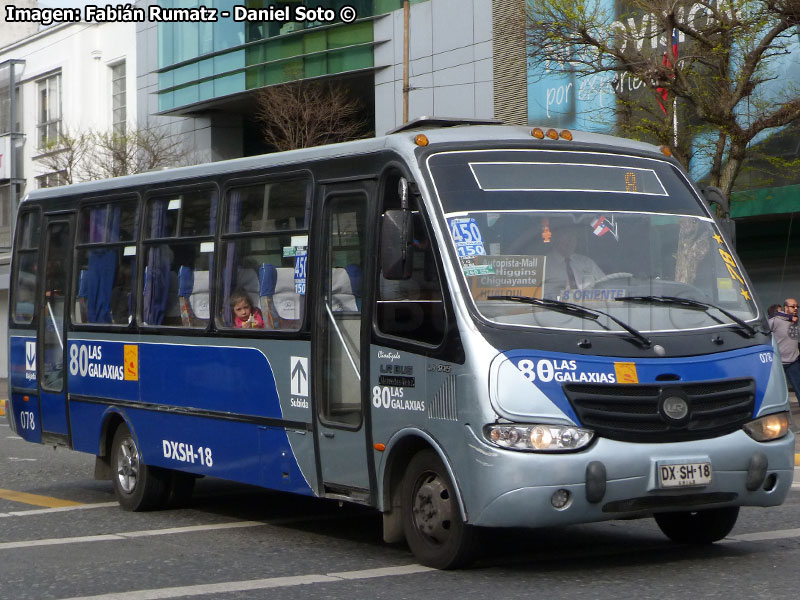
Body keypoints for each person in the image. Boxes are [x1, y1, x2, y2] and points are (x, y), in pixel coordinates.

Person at [543, 221, 605, 297]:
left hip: (588, 307)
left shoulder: (586, 262)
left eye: (573, 237)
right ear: (555, 239)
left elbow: (605, 286)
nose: (570, 241)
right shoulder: (543, 264)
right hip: (553, 307)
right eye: (566, 237)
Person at [768, 298, 800, 405]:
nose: (796, 308)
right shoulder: (775, 320)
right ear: (785, 308)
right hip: (778, 362)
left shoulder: (795, 320)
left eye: (797, 306)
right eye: (793, 306)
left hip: (793, 361)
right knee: (775, 390)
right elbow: (765, 330)